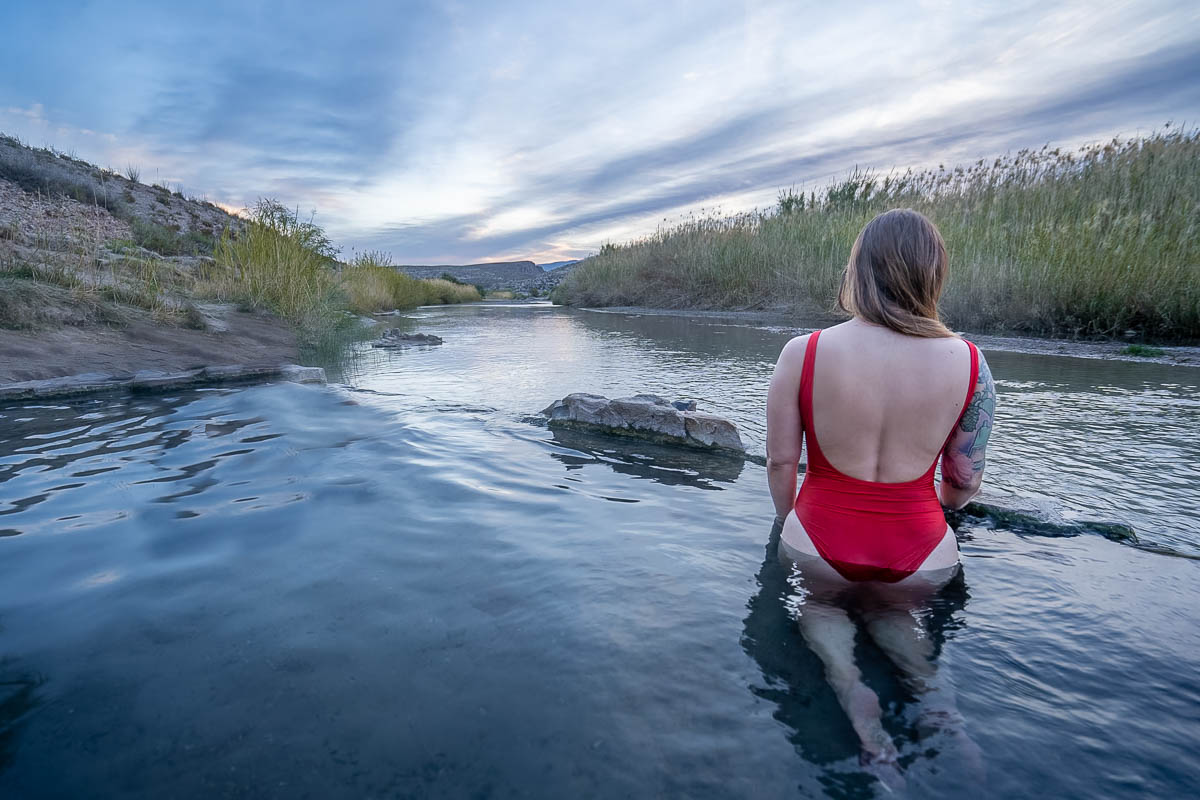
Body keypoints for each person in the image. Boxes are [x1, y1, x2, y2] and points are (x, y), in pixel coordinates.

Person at [765, 208, 995, 784]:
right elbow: (963, 482)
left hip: (820, 534)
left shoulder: (804, 351)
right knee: (900, 614)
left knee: (821, 609)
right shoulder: (970, 362)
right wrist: (934, 511)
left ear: (859, 269)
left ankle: (854, 700)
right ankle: (938, 704)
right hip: (919, 549)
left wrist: (792, 524)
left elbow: (779, 461)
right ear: (933, 274)